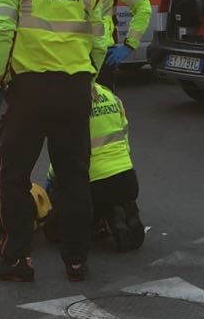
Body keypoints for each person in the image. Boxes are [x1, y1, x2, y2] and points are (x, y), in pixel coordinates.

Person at [0, 0, 106, 283]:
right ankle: (77, 261)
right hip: (76, 89)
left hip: (31, 91)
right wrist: (87, 77)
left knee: (13, 176)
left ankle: (16, 259)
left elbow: (0, 31)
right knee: (74, 178)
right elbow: (99, 41)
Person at [45, 82, 144, 252]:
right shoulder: (112, 97)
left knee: (52, 232)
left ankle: (98, 219)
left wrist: (52, 178)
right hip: (126, 178)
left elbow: (62, 153)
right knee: (111, 192)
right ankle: (122, 209)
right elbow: (124, 138)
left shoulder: (67, 103)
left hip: (92, 186)